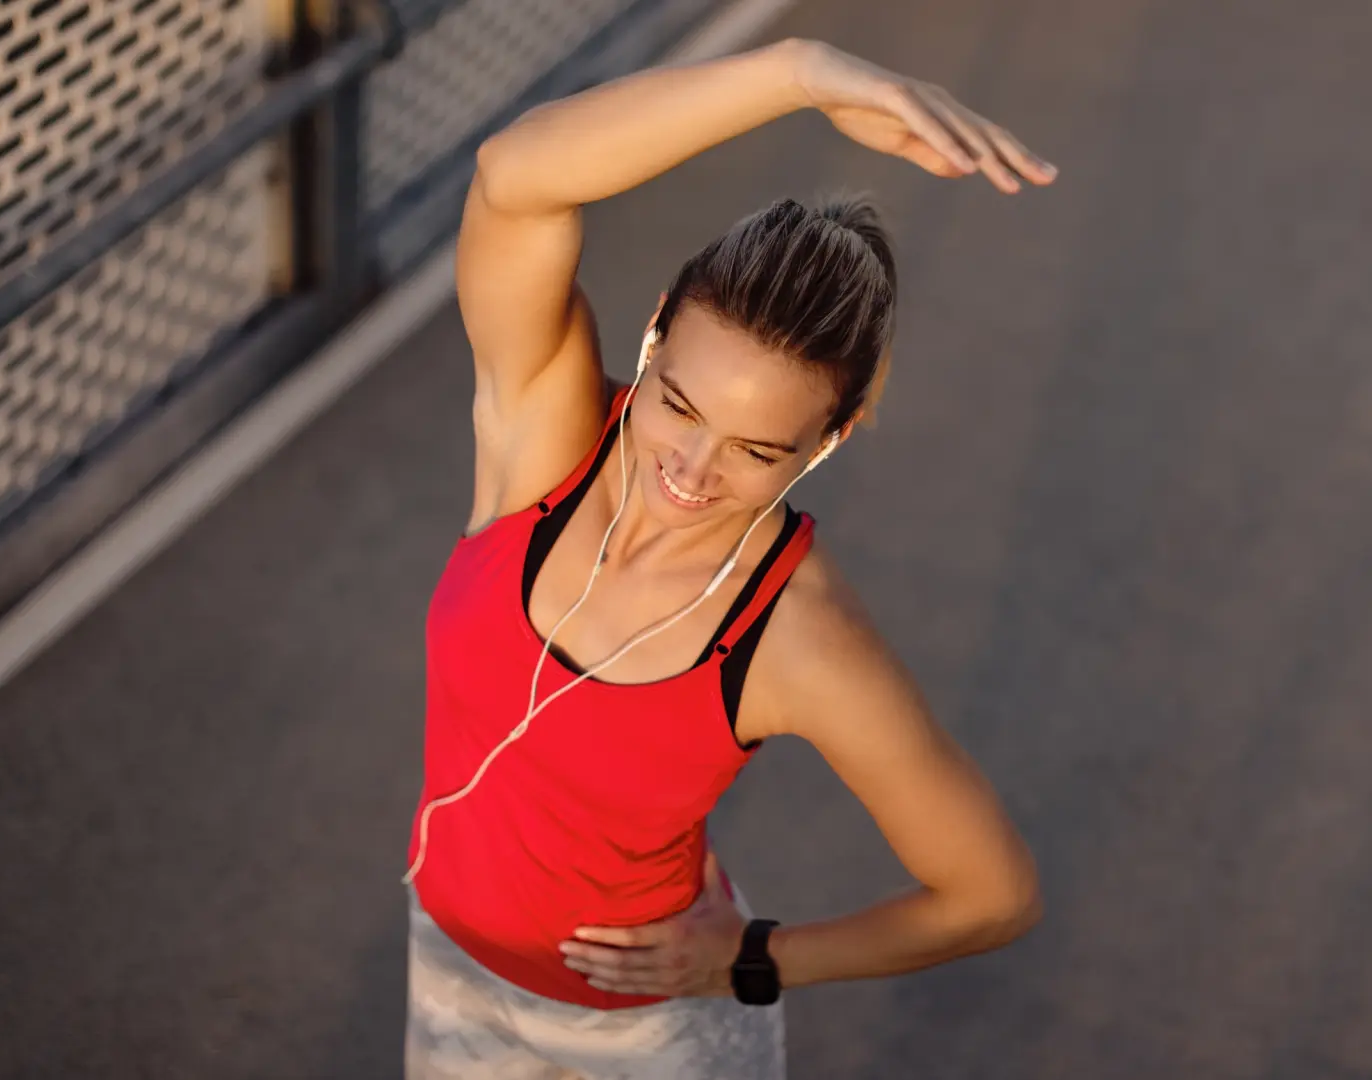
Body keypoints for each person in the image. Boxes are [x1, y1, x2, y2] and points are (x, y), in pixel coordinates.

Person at [399, 36, 1057, 1079]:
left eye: (757, 451)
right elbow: (513, 180)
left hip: (641, 1041)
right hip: (449, 978)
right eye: (678, 406)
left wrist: (754, 961)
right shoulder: (548, 440)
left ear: (830, 440)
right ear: (655, 335)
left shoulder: (797, 635)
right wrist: (796, 73)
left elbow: (992, 893)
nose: (692, 470)